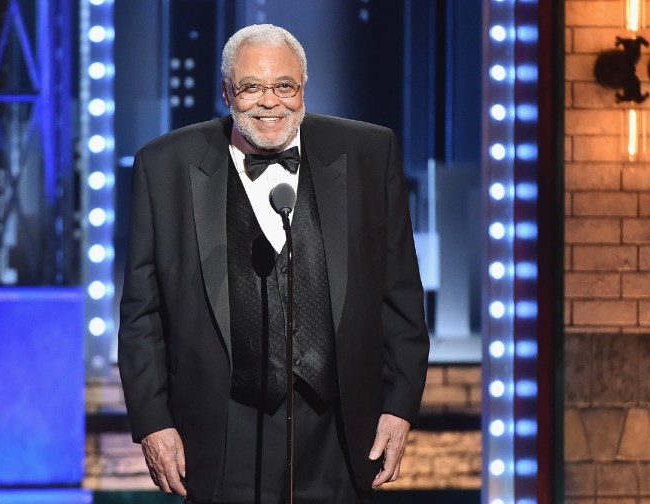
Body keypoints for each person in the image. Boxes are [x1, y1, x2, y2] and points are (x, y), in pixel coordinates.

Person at [118, 23, 429, 503]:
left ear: (303, 88)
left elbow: (401, 295)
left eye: (285, 86)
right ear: (227, 92)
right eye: (251, 87)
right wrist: (153, 422)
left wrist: (400, 406)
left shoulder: (369, 152)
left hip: (340, 430)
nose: (270, 102)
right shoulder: (164, 166)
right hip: (220, 433)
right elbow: (141, 315)